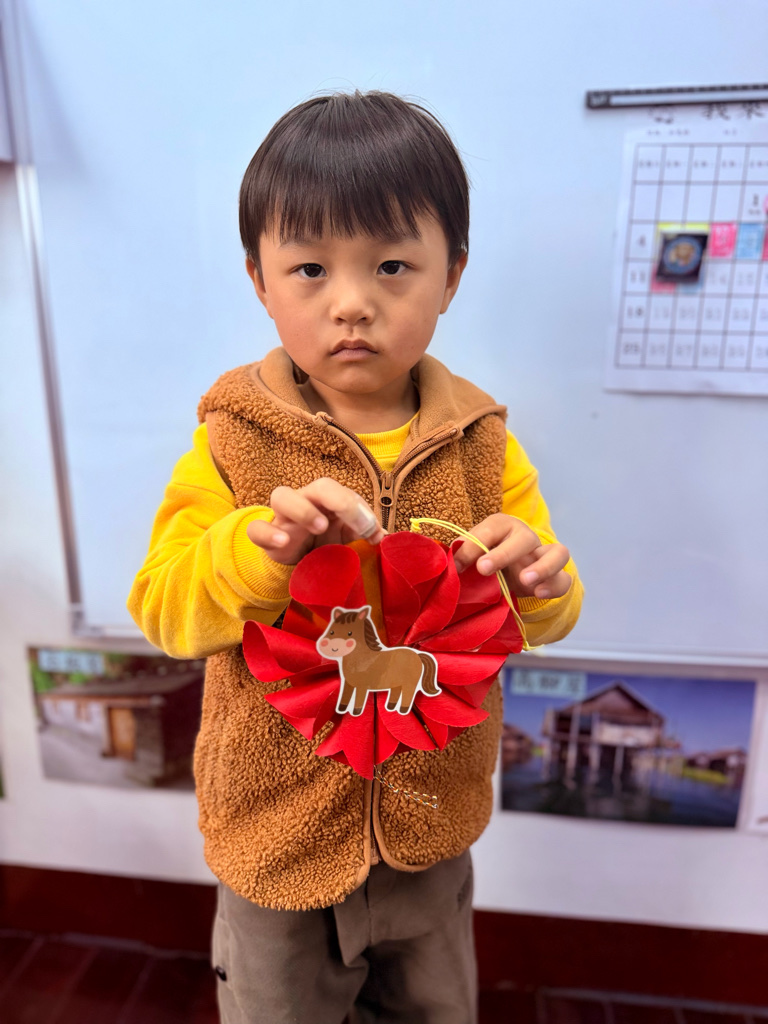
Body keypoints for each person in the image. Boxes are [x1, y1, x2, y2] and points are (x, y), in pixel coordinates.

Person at [128, 90, 583, 1024]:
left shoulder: (485, 448)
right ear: (259, 280)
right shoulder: (230, 445)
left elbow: (540, 614)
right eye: (308, 268)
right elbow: (165, 609)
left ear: (451, 276)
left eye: (392, 266)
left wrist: (543, 583)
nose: (351, 303)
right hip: (277, 850)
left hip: (431, 839)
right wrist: (252, 552)